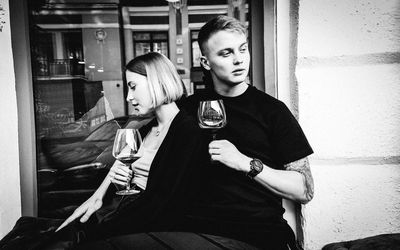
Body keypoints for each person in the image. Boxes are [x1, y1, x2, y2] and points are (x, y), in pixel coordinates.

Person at [177, 15, 314, 250]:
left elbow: (304, 189)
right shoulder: (189, 109)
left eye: (243, 49)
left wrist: (245, 163)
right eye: (226, 53)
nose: (239, 60)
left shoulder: (272, 111)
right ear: (206, 62)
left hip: (257, 232)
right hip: (196, 231)